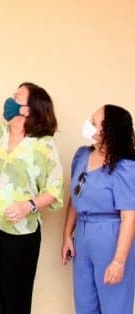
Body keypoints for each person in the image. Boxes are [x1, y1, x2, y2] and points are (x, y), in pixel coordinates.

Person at [0, 82, 64, 314]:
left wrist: (29, 206)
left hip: (21, 236)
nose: (10, 100)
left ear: (29, 109)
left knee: (16, 304)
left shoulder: (46, 146)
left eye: (17, 97)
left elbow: (53, 191)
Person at [61, 105, 135, 314]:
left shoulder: (125, 167)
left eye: (94, 123)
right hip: (82, 237)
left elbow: (129, 217)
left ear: (109, 131)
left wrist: (119, 262)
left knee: (114, 304)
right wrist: (67, 235)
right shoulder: (82, 156)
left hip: (111, 237)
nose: (88, 124)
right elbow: (75, 197)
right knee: (85, 305)